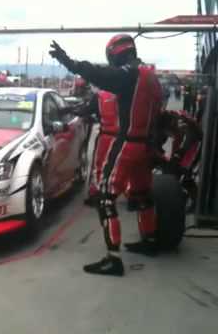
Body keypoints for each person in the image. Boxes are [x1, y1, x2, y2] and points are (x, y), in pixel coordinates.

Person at [49, 34, 163, 276]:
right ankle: (150, 241)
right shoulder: (152, 77)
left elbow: (98, 74)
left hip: (126, 142)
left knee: (106, 197)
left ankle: (113, 259)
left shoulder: (128, 75)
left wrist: (68, 62)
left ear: (114, 53)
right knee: (143, 194)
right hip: (146, 145)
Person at [155, 110, 202, 212]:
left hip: (193, 145)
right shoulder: (163, 124)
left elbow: (188, 138)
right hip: (181, 143)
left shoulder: (180, 121)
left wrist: (178, 154)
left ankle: (196, 203)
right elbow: (160, 139)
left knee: (185, 175)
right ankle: (178, 198)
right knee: (172, 171)